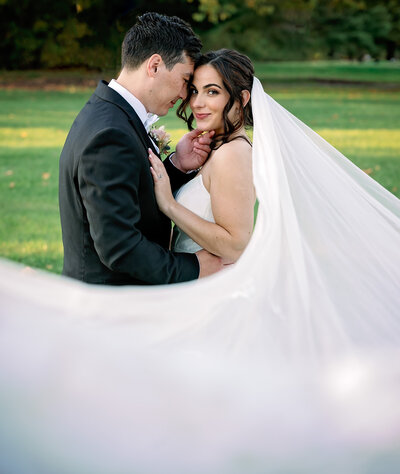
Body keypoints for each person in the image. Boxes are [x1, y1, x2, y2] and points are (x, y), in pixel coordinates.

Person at [59, 12, 223, 285]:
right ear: (155, 66)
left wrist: (175, 165)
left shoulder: (110, 114)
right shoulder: (110, 134)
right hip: (110, 306)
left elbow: (133, 195)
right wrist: (194, 267)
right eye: (185, 80)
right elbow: (119, 247)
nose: (185, 96)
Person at [148, 50, 256, 263]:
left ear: (241, 98)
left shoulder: (232, 154)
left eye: (212, 92)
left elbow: (235, 246)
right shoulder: (219, 148)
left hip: (214, 287)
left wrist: (170, 205)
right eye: (195, 91)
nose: (196, 103)